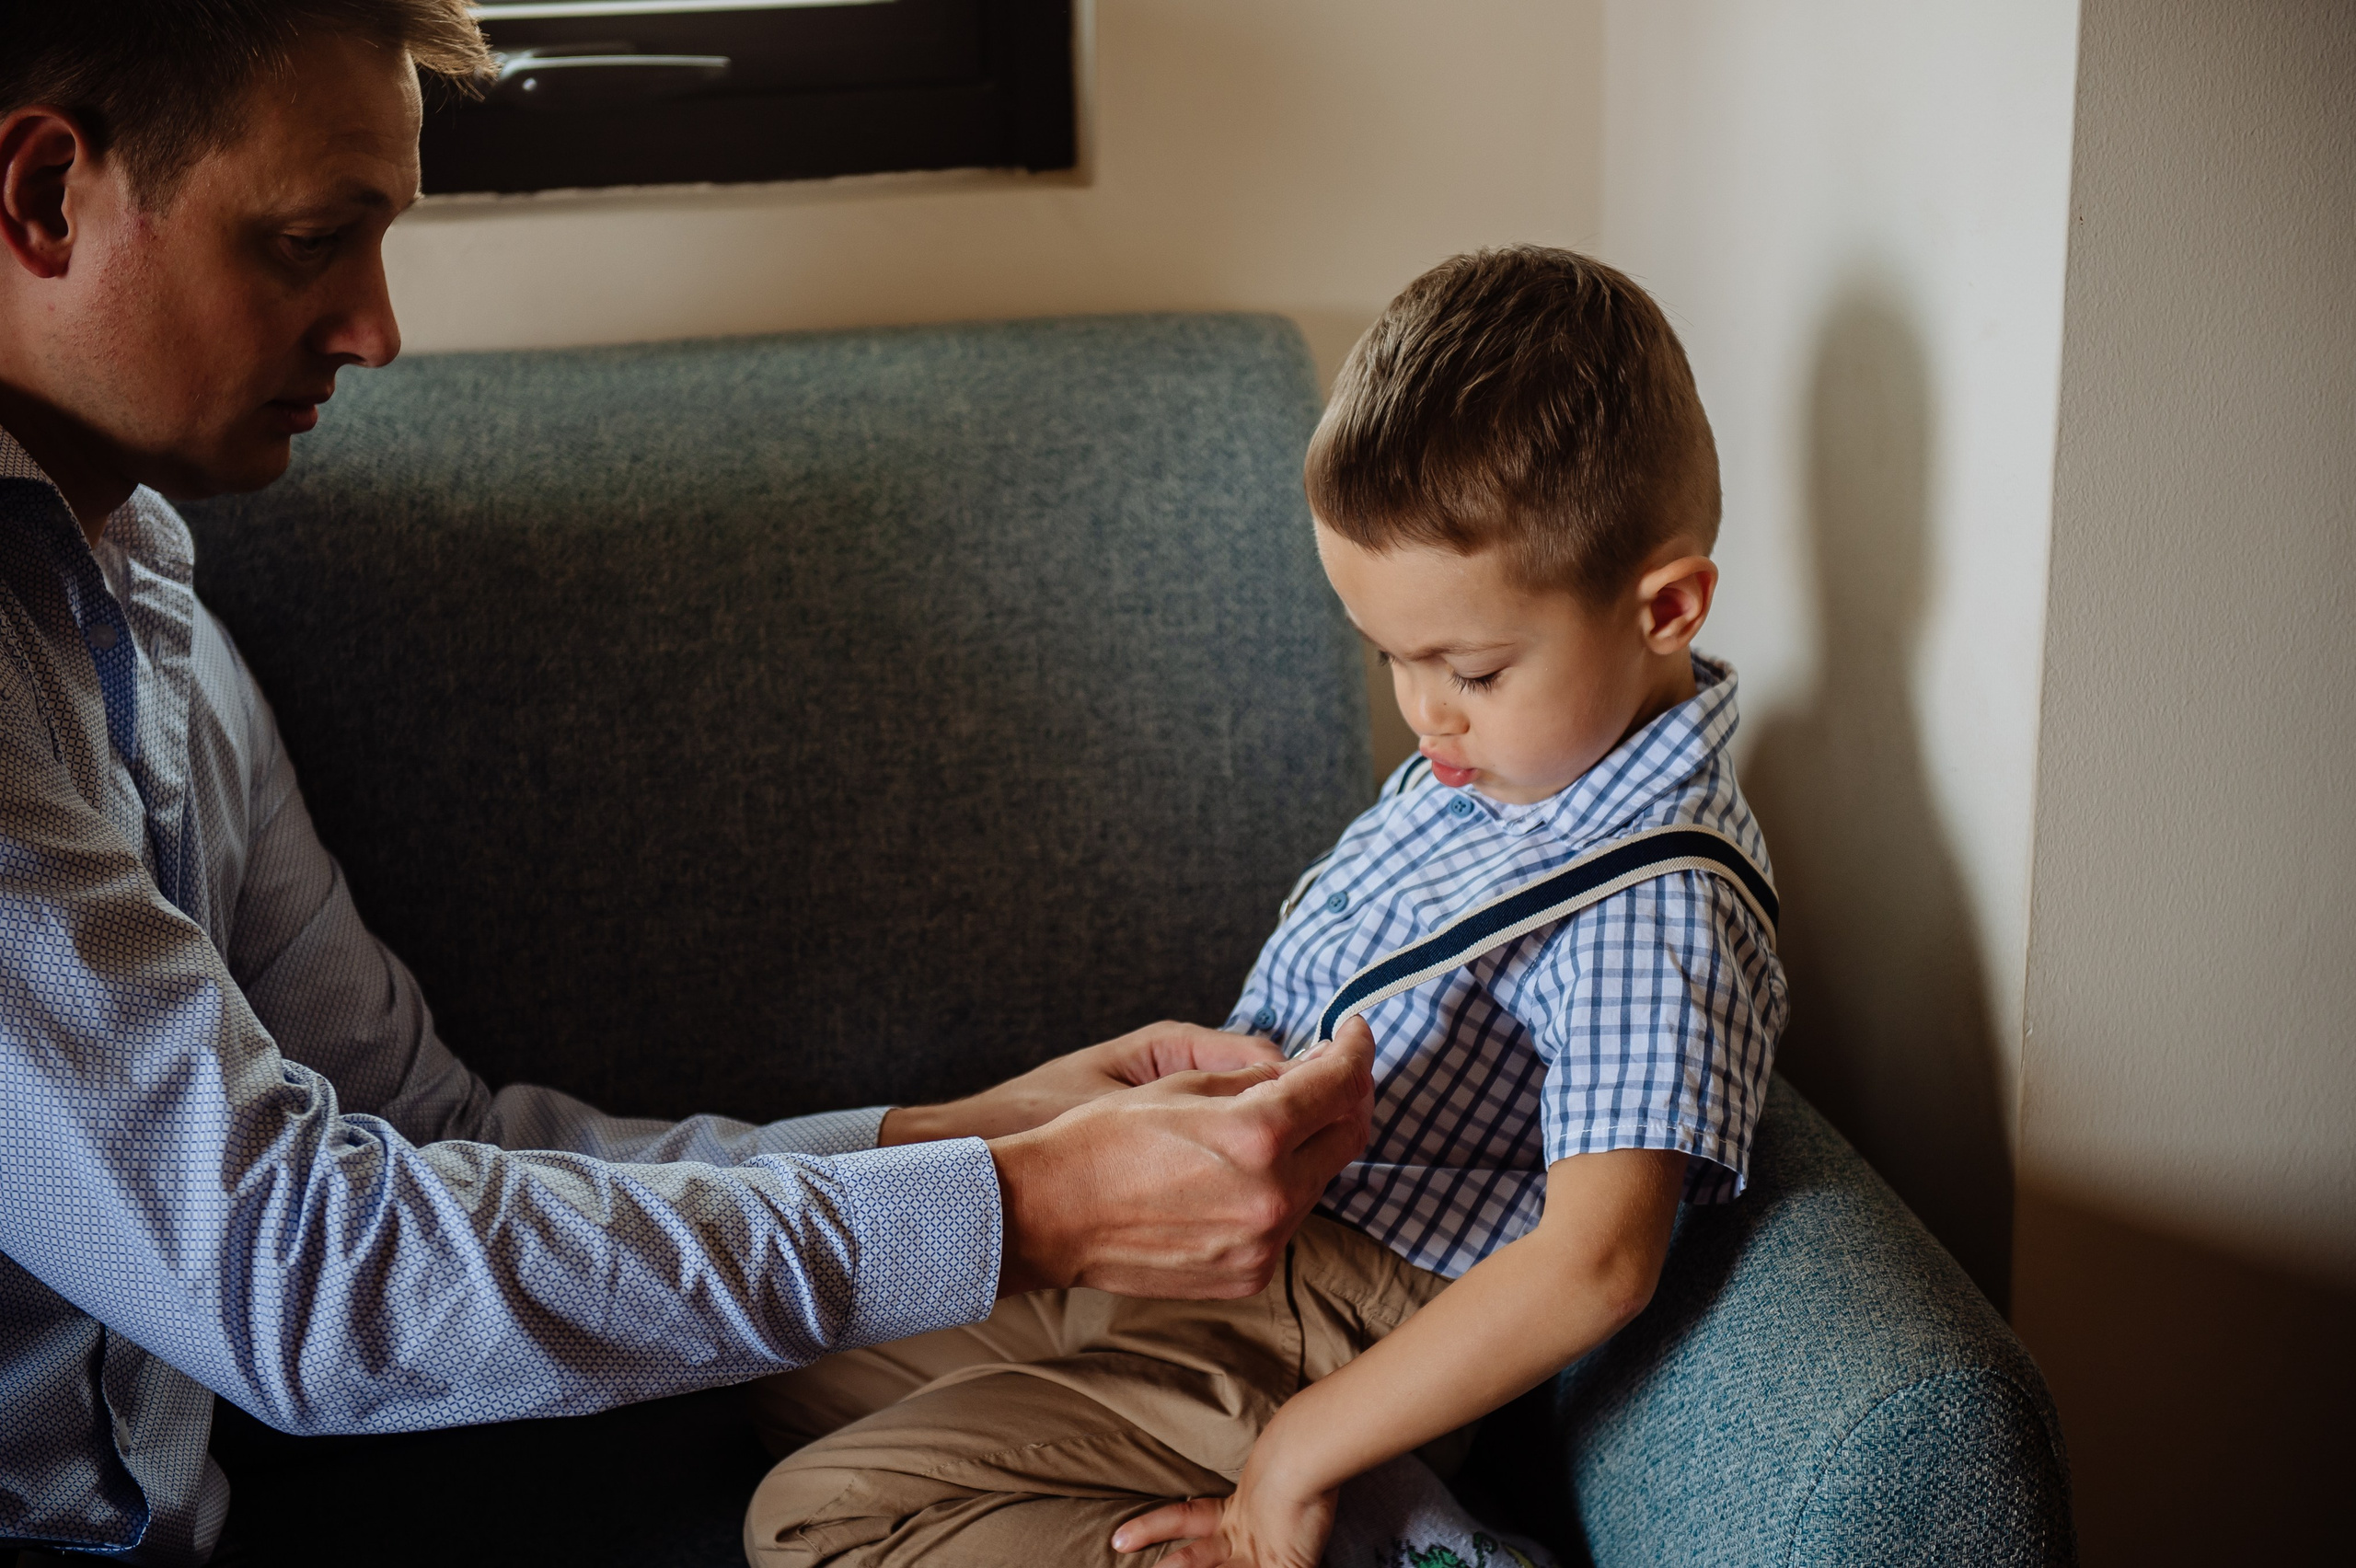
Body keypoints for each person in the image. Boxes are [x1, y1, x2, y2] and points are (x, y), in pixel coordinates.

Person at [0, 4, 1379, 1563]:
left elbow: (421, 1134)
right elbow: (309, 1278)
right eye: (311, 241)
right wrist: (1028, 1213)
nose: (376, 331)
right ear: (47, 196)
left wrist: (963, 1141)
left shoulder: (149, 596)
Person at [742, 247, 1792, 1568]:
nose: (1423, 713)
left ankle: (1335, 1523)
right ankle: (1356, 1516)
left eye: (1468, 665)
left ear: (1667, 606)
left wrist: (1300, 1451)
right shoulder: (1517, 760)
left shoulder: (1657, 901)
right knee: (778, 1332)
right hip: (1224, 1234)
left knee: (811, 1522)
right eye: (1389, 656)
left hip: (1332, 1321)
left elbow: (1598, 1263)